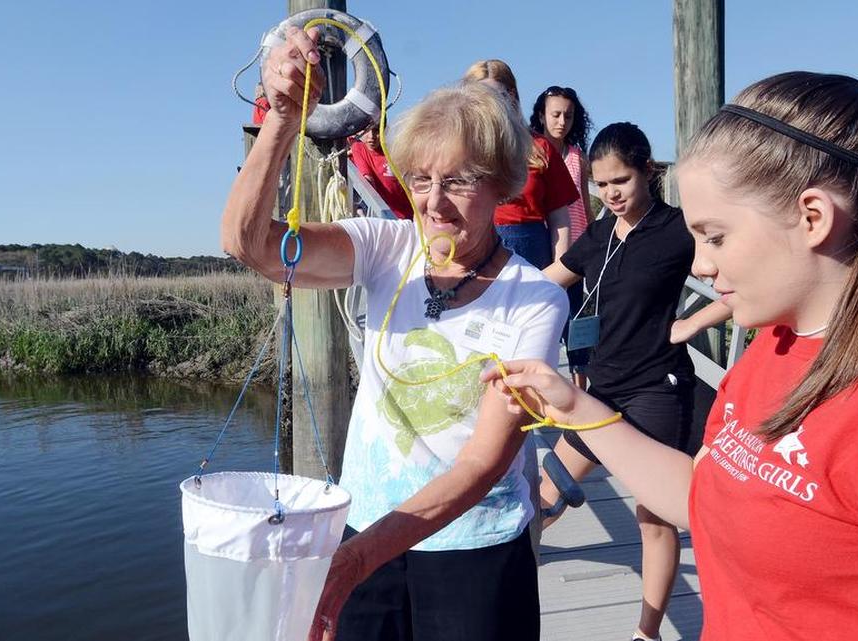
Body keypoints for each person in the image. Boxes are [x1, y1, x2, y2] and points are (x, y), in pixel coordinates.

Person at [483, 71, 858, 641]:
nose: (701, 266)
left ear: (813, 218)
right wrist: (575, 407)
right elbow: (702, 498)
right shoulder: (773, 347)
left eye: (716, 237)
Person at [221, 27, 568, 641]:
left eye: (460, 181)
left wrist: (357, 558)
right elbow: (250, 246)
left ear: (504, 185)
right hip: (365, 532)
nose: (434, 203)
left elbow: (485, 462)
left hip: (473, 548)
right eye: (422, 179)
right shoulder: (387, 247)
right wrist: (281, 120)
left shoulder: (534, 299)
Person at [538, 121, 731, 641]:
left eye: (621, 181)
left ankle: (646, 634)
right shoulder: (599, 232)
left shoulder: (677, 228)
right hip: (599, 391)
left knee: (653, 518)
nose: (612, 194)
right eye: (601, 185)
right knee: (544, 494)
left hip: (656, 389)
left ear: (649, 171)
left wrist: (693, 323)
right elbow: (552, 278)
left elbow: (742, 277)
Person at [463, 60, 577, 269]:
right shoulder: (459, 151)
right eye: (480, 97)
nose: (490, 104)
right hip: (474, 253)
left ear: (512, 95)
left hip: (533, 254)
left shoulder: (541, 147)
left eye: (497, 96)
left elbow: (560, 219)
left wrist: (559, 273)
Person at [530, 85, 595, 385]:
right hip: (549, 243)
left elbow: (584, 200)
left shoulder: (577, 156)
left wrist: (596, 238)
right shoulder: (532, 153)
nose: (561, 122)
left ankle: (580, 383)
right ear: (542, 116)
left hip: (579, 242)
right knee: (546, 316)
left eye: (568, 116)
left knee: (577, 316)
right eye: (555, 114)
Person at [348, 121, 414, 219]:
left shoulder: (393, 152)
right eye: (367, 131)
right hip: (387, 216)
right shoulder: (358, 147)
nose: (371, 136)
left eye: (376, 130)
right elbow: (368, 180)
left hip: (409, 216)